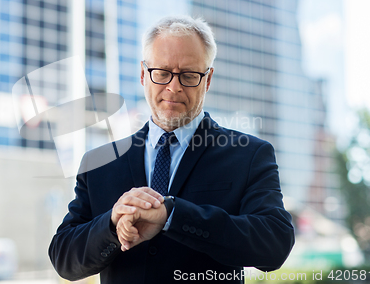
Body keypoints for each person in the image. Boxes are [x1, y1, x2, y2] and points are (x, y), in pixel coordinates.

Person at [49, 15, 295, 283]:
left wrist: (173, 215)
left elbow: (275, 244)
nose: (174, 87)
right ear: (144, 74)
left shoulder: (249, 155)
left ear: (208, 80)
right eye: (162, 73)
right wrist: (110, 224)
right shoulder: (99, 162)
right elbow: (64, 258)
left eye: (189, 75)